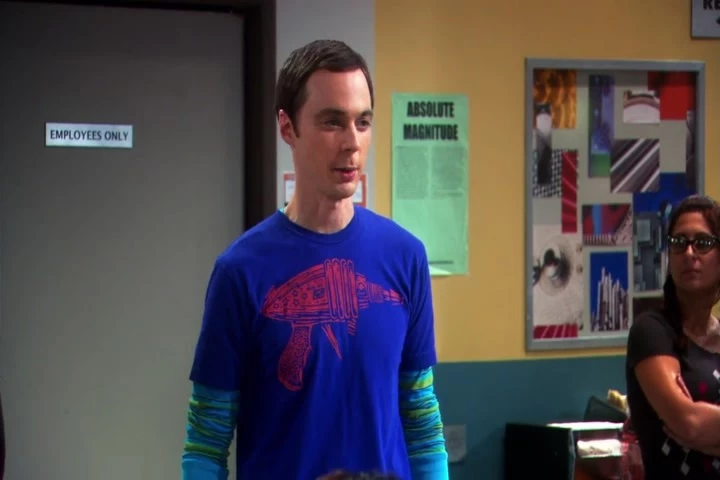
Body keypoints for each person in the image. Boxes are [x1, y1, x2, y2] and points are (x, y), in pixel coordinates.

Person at [181, 39, 449, 480]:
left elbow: (421, 421)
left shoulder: (405, 257)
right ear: (287, 127)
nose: (352, 143)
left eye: (363, 122)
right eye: (332, 122)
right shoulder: (241, 271)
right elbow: (206, 441)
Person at [626, 194, 720, 479]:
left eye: (702, 242)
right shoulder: (652, 331)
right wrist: (697, 426)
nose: (689, 253)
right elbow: (689, 423)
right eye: (679, 242)